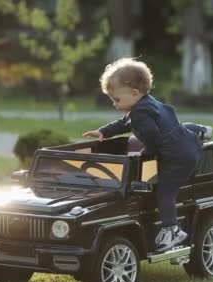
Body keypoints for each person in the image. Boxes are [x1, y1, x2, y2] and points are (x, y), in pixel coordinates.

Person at [83, 57, 205, 252]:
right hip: (185, 142)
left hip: (179, 157)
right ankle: (199, 130)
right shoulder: (147, 104)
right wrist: (103, 132)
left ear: (133, 93)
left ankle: (171, 230)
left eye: (116, 99)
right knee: (178, 127)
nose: (115, 104)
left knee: (165, 192)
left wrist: (144, 155)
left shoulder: (140, 114)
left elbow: (152, 138)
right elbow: (125, 123)